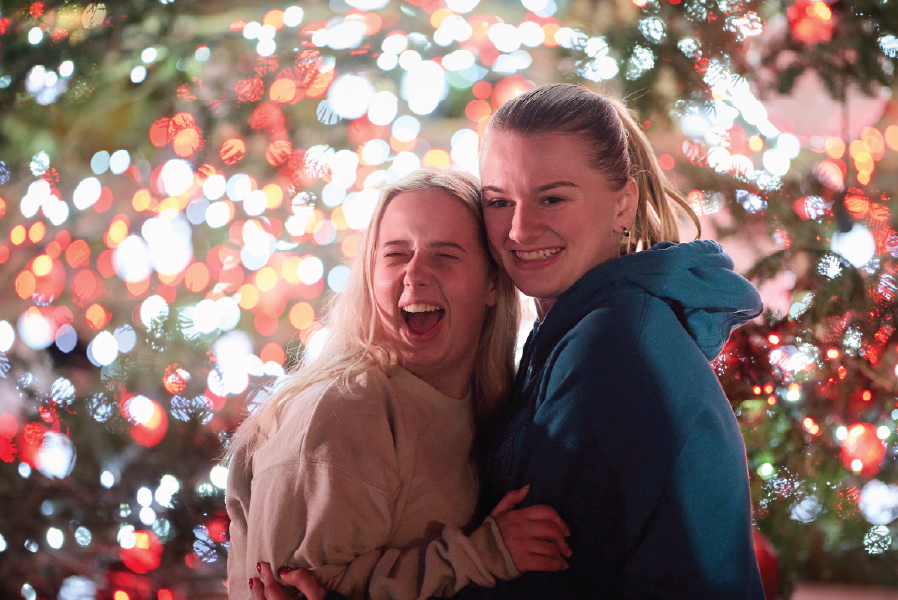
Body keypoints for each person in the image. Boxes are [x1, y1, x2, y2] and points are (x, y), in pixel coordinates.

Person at [285, 84, 766, 599]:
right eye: (498, 202)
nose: (519, 229)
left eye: (553, 198)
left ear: (622, 204)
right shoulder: (582, 327)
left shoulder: (611, 346)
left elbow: (545, 582)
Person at [225, 169, 572, 600]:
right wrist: (482, 554)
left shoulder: (491, 412)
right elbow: (298, 587)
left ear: (491, 284)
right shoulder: (339, 413)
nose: (415, 274)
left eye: (445, 255)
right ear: (371, 278)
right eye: (395, 254)